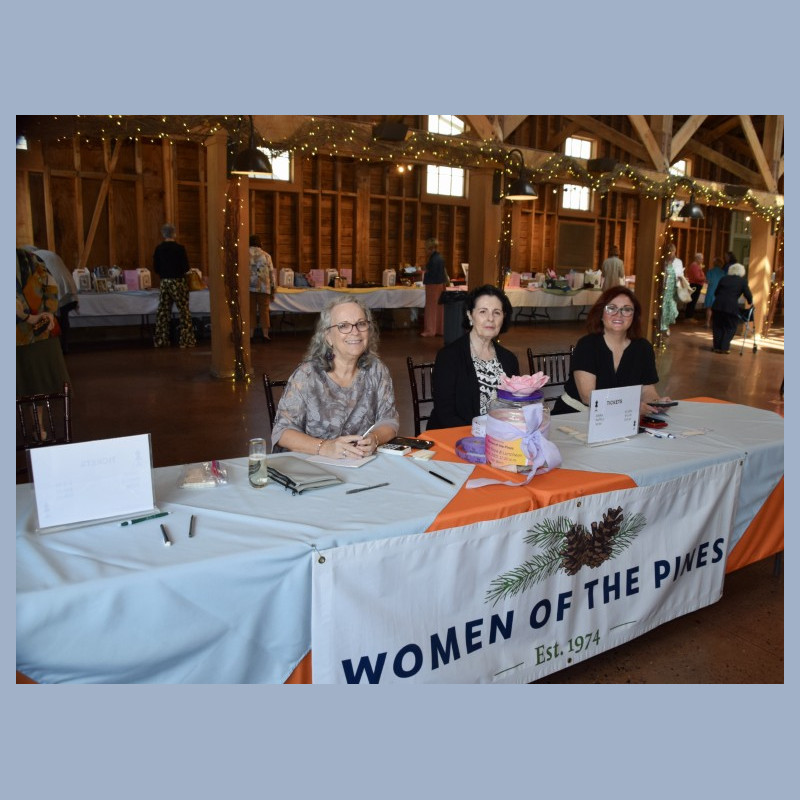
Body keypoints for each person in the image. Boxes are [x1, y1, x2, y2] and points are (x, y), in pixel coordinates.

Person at [271, 297, 399, 457]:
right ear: (328, 337)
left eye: (361, 323)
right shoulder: (308, 375)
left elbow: (389, 421)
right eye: (343, 326)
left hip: (361, 464)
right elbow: (282, 432)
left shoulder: (377, 370)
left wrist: (375, 438)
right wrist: (325, 447)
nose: (355, 331)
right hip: (315, 466)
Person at [551, 286, 669, 418]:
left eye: (627, 309)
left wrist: (656, 403)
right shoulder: (587, 345)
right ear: (601, 314)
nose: (618, 314)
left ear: (634, 316)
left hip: (618, 416)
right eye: (611, 308)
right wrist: (630, 406)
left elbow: (646, 389)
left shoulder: (643, 348)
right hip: (575, 414)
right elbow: (588, 397)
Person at [427, 284, 519, 430]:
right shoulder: (449, 357)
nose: (490, 319)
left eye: (497, 313)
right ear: (470, 315)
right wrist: (478, 436)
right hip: (454, 436)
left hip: (497, 439)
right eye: (483, 312)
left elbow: (513, 407)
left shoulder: (509, 359)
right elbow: (445, 413)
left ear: (504, 317)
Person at [16, 249, 71, 434]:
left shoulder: (31, 259)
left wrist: (35, 317)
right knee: (36, 384)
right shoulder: (32, 258)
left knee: (29, 384)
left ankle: (37, 426)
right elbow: (51, 286)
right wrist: (47, 314)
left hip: (27, 336)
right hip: (38, 332)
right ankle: (39, 426)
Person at [23, 245, 79, 354]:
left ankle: (54, 348)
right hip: (68, 286)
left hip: (55, 287)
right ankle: (64, 346)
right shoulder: (49, 253)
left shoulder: (34, 257)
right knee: (64, 316)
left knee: (50, 318)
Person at [152, 223, 196, 348]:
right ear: (174, 234)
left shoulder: (158, 249)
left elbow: (156, 268)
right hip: (178, 282)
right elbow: (185, 267)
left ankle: (161, 340)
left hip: (164, 281)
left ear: (163, 234)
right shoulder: (180, 249)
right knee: (183, 311)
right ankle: (186, 340)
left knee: (163, 311)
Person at [711, 263, 753, 354]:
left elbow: (716, 292)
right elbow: (748, 294)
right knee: (730, 327)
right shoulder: (742, 281)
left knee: (717, 326)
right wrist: (750, 302)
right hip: (731, 307)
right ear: (742, 272)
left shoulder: (724, 279)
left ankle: (716, 347)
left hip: (718, 305)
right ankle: (724, 347)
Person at [249, 235, 275, 341]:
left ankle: (250, 335)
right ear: (260, 243)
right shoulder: (267, 256)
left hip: (249, 287)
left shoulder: (243, 255)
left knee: (250, 311)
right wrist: (273, 288)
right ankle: (265, 335)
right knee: (264, 311)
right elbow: (271, 273)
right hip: (264, 287)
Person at [420, 237, 446, 337]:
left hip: (432, 285)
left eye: (426, 248)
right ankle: (439, 329)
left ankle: (430, 330)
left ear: (430, 248)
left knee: (431, 308)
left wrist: (425, 271)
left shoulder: (433, 259)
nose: (425, 251)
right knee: (439, 308)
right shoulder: (440, 257)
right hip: (440, 284)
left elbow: (431, 273)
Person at [659, 243, 683, 337]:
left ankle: (666, 325)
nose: (671, 253)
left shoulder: (678, 262)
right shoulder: (663, 262)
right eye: (669, 251)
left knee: (672, 310)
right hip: (664, 289)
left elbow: (680, 273)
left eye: (672, 251)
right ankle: (664, 327)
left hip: (673, 289)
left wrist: (681, 280)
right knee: (664, 308)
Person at [704, 256, 725, 328]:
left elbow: (707, 281)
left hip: (711, 290)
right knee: (717, 309)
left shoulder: (710, 271)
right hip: (720, 292)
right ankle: (716, 323)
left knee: (709, 308)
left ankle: (707, 323)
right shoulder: (723, 273)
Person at [684, 252, 706, 320]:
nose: (702, 261)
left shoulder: (696, 265)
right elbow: (697, 278)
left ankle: (689, 316)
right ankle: (689, 317)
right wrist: (704, 278)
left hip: (696, 284)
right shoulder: (695, 266)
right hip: (695, 285)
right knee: (692, 301)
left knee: (693, 301)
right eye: (701, 259)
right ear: (697, 259)